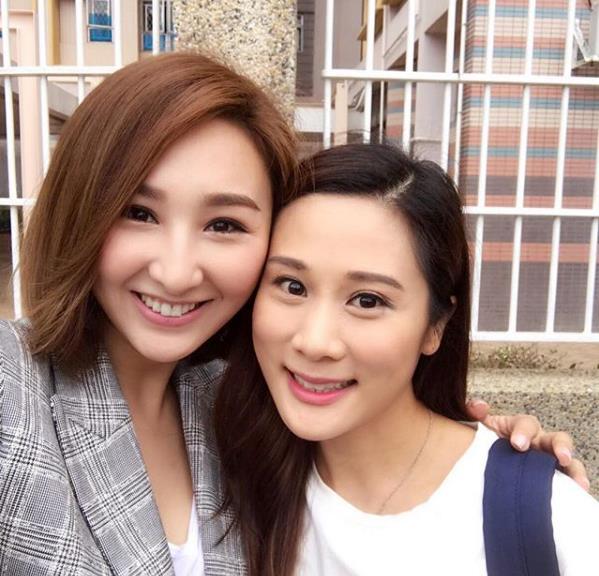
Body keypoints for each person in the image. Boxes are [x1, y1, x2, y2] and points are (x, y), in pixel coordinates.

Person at [0, 53, 587, 575]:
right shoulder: (14, 391)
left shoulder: (236, 409)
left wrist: (510, 474)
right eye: (139, 213)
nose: (177, 273)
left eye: (223, 224)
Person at [215, 143, 599, 576]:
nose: (315, 341)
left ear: (436, 326)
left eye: (367, 300)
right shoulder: (224, 473)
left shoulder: (549, 521)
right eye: (292, 286)